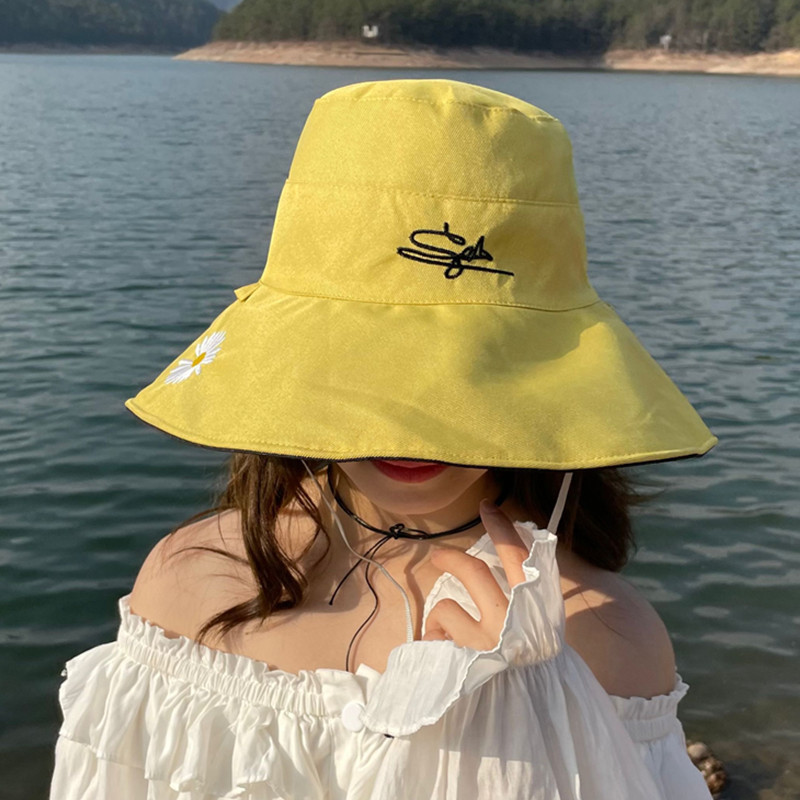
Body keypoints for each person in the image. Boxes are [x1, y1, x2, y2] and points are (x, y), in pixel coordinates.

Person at [49, 78, 718, 799]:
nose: (409, 423)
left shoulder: (603, 638)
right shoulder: (191, 582)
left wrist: (539, 716)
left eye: (470, 367)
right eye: (365, 363)